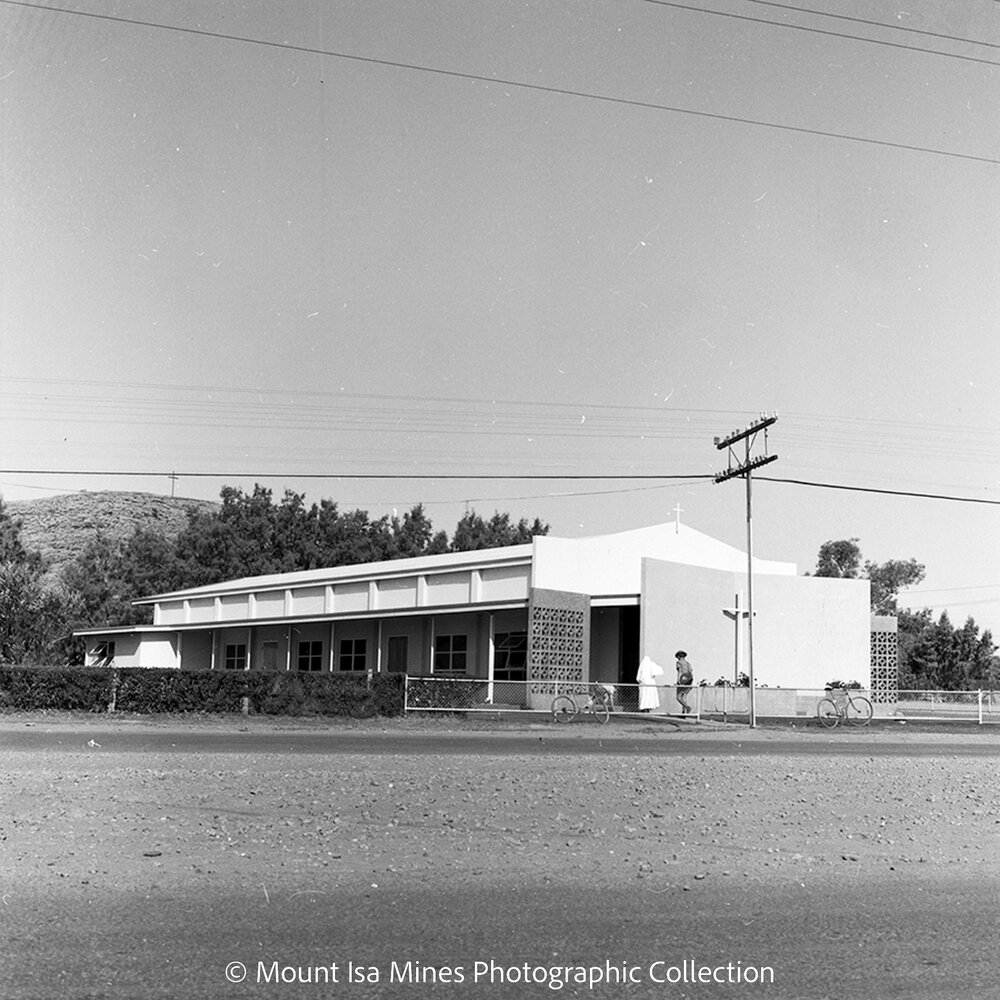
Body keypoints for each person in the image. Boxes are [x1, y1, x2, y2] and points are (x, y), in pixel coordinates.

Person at [675, 650, 693, 715]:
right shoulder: (688, 664)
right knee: (684, 696)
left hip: (683, 680)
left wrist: (678, 681)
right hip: (689, 681)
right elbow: (691, 672)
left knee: (678, 697)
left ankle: (687, 707)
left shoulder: (679, 663)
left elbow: (679, 671)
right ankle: (684, 712)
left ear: (679, 656)